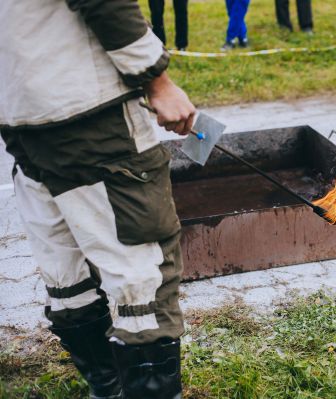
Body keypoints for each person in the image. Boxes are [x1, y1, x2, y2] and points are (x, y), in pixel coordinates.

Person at [0, 0, 196, 397]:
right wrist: (157, 82)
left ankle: (108, 389)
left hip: (19, 118)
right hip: (91, 113)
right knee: (141, 275)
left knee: (66, 271)